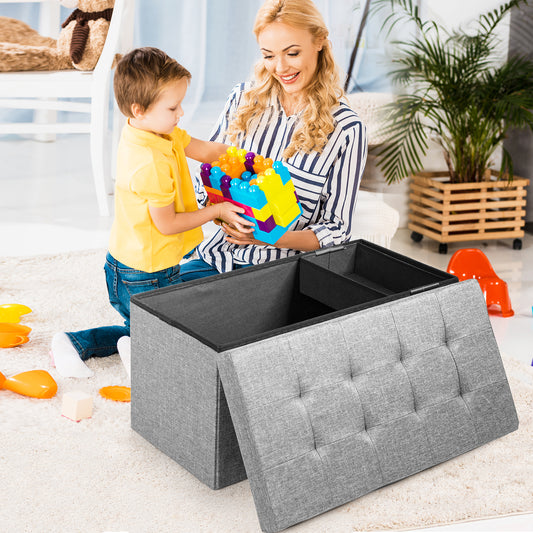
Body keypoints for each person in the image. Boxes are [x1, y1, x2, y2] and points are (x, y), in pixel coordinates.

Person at [51, 47, 253, 378]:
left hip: (148, 264)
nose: (181, 112)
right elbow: (168, 223)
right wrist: (216, 210)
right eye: (173, 107)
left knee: (163, 321)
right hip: (141, 273)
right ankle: (123, 348)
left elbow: (205, 150)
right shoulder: (149, 163)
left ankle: (102, 342)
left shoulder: (157, 131)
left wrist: (247, 160)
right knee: (172, 337)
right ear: (139, 110)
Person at [178, 0, 367, 281]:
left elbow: (337, 230)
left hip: (279, 275)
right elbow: (203, 187)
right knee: (148, 302)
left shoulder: (346, 129)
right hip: (218, 257)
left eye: (292, 53)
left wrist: (268, 237)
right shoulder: (242, 100)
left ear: (319, 41)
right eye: (268, 55)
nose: (280, 67)